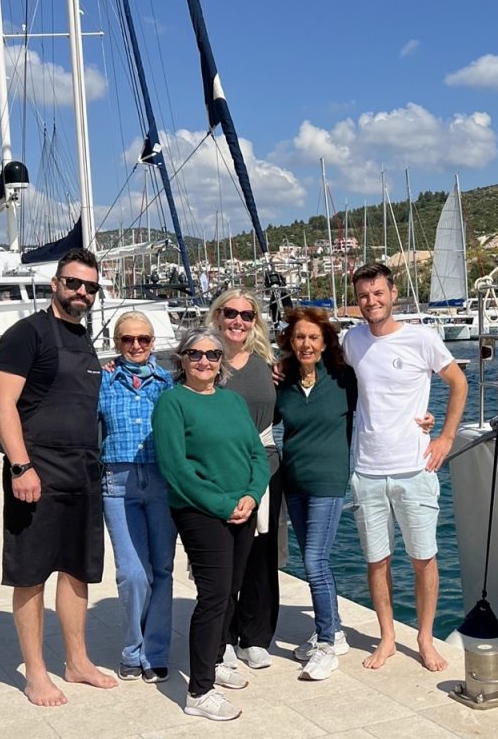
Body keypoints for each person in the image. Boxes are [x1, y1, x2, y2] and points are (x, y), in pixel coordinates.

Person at [0, 247, 117, 706]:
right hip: (37, 470)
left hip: (83, 469)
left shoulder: (83, 339)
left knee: (77, 569)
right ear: (55, 284)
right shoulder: (27, 334)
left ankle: (77, 661)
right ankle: (36, 672)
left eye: (90, 287)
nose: (81, 292)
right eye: (73, 283)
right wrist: (21, 466)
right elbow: (2, 405)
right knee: (31, 574)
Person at [342, 262, 468, 671]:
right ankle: (387, 637)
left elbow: (457, 383)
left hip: (415, 468)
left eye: (377, 293)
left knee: (423, 558)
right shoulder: (352, 342)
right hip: (367, 470)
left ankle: (426, 638)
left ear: (393, 293)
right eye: (363, 295)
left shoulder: (422, 338)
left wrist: (445, 436)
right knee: (376, 560)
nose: (371, 301)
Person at [152, 327, 269, 721]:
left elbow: (257, 453)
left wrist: (252, 495)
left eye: (212, 355)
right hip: (201, 512)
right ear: (181, 360)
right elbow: (176, 469)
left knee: (231, 589)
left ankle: (217, 658)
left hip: (243, 508)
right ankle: (199, 690)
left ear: (221, 363)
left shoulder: (233, 402)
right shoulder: (172, 403)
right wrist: (223, 504)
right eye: (195, 354)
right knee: (214, 595)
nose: (204, 361)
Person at [275, 307, 356, 681]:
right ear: (290, 342)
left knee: (313, 561)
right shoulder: (284, 383)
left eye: (313, 337)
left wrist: (424, 421)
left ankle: (326, 643)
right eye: (299, 337)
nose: (305, 344)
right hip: (294, 482)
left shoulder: (343, 379)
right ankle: (335, 630)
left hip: (328, 481)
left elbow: (382, 408)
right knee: (316, 562)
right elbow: (260, 416)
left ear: (325, 343)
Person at [97, 311, 176, 684]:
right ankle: (131, 649)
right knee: (131, 573)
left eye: (143, 339)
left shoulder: (168, 384)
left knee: (161, 570)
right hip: (118, 482)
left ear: (152, 342)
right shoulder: (104, 382)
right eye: (128, 340)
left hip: (161, 482)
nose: (136, 346)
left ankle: (154, 652)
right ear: (117, 343)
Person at [207, 289, 281, 670]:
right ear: (218, 315)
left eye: (246, 315)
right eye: (230, 312)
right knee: (224, 559)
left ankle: (254, 636)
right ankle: (222, 638)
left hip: (265, 465)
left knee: (260, 557)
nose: (238, 321)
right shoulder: (204, 359)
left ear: (255, 322)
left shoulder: (268, 363)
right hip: (220, 469)